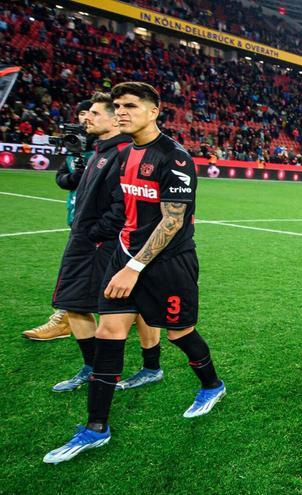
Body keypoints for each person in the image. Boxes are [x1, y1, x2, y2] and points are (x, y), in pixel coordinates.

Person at [44, 82, 225, 464]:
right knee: (109, 332)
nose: (122, 111)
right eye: (118, 106)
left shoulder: (173, 158)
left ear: (154, 111)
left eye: (130, 106)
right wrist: (121, 255)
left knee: (179, 331)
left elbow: (172, 222)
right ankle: (96, 427)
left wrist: (135, 266)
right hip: (125, 256)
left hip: (168, 263)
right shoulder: (125, 153)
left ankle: (212, 385)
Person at [49, 92, 164, 393]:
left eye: (95, 114)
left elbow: (121, 203)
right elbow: (67, 182)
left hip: (102, 243)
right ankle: (94, 367)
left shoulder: (124, 153)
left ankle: (146, 366)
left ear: (115, 120)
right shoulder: (98, 150)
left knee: (125, 305)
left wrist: (95, 234)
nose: (86, 118)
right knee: (75, 303)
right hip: (87, 239)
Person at [22, 100, 92, 341]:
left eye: (92, 113)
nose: (86, 118)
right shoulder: (76, 148)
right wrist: (75, 177)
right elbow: (62, 178)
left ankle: (63, 319)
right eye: (82, 113)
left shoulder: (106, 149)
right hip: (77, 217)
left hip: (97, 225)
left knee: (73, 273)